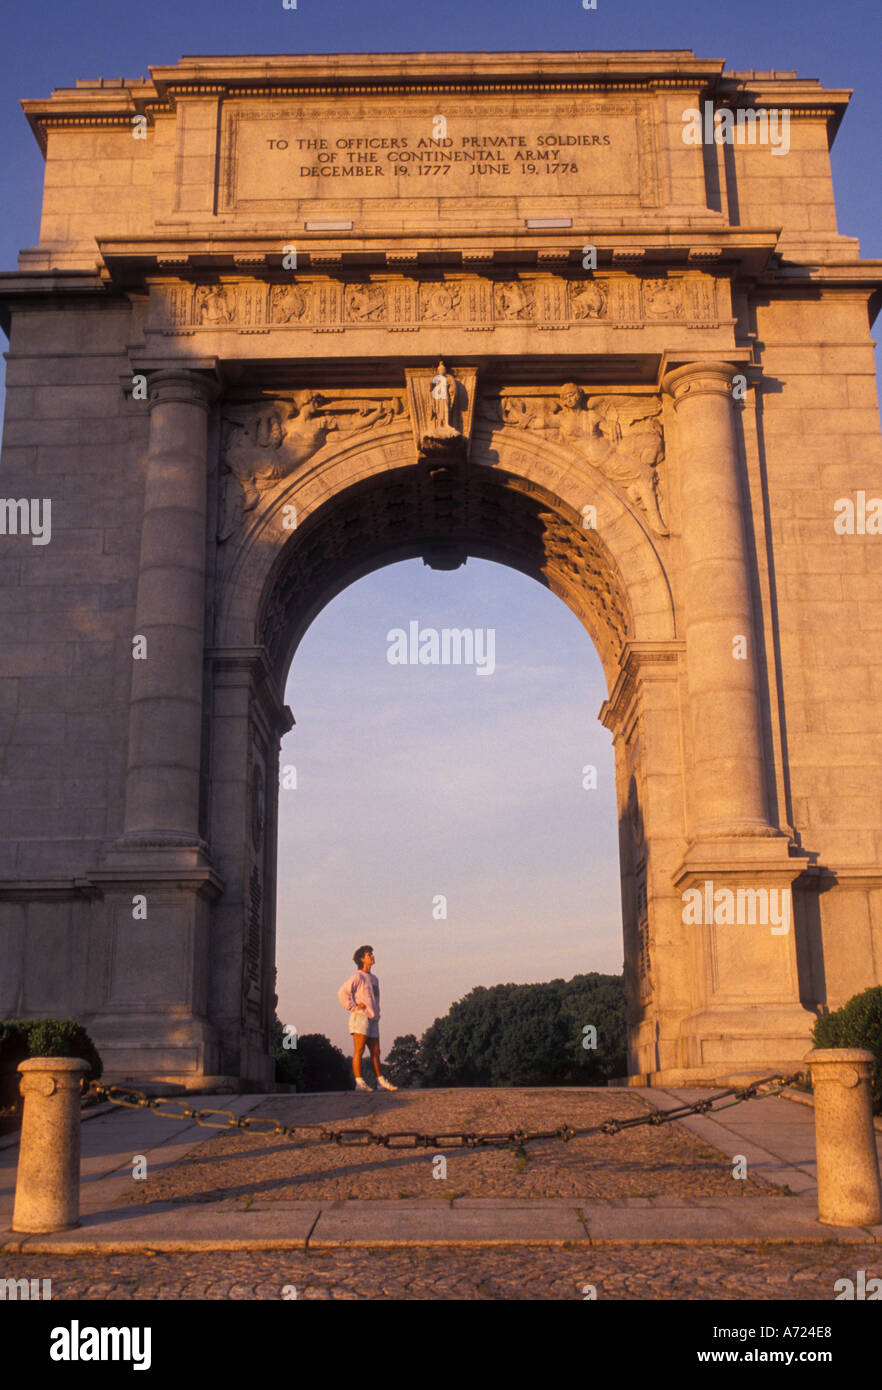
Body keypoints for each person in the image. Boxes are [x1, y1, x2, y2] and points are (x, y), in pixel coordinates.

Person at [337, 946, 398, 1092]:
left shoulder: (375, 979)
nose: (372, 956)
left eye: (372, 954)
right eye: (369, 954)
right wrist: (353, 1006)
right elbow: (342, 992)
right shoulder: (357, 976)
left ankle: (380, 1081)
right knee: (359, 1050)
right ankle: (359, 1082)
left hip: (373, 1019)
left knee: (376, 1052)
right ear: (362, 959)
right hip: (360, 1017)